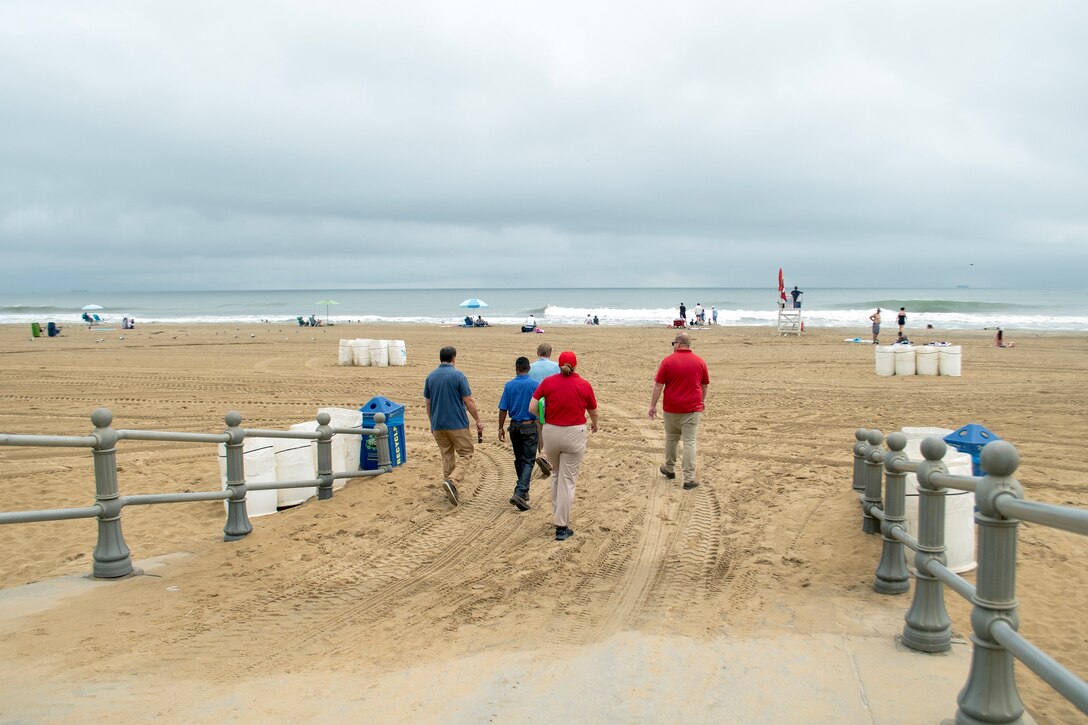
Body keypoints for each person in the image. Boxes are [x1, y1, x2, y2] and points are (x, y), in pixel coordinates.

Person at [530, 351, 598, 541]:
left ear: (559, 365)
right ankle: (561, 526)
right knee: (567, 479)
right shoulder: (584, 384)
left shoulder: (548, 382)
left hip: (551, 432)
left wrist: (544, 418)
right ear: (575, 366)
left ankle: (557, 512)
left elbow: (532, 408)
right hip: (574, 433)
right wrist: (595, 424)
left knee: (556, 473)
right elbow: (593, 411)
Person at [423, 346, 484, 506]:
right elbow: (468, 400)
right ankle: (453, 481)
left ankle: (450, 487)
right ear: (453, 359)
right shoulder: (458, 376)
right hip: (457, 423)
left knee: (447, 455)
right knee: (466, 453)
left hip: (438, 424)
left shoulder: (431, 377)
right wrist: (477, 420)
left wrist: (432, 422)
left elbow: (428, 404)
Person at [648, 332, 709, 490]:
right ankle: (688, 478)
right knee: (689, 441)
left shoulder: (667, 361)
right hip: (692, 409)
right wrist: (701, 401)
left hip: (672, 408)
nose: (673, 346)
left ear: (678, 344)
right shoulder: (700, 362)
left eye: (673, 343)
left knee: (672, 438)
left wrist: (652, 405)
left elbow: (658, 386)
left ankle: (669, 468)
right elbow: (704, 386)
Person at [497, 356, 540, 512]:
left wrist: (500, 427)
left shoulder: (509, 385)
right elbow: (541, 407)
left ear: (516, 368)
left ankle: (523, 490)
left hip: (514, 426)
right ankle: (520, 491)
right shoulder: (535, 385)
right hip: (529, 426)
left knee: (520, 459)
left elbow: (503, 409)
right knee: (528, 461)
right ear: (529, 369)